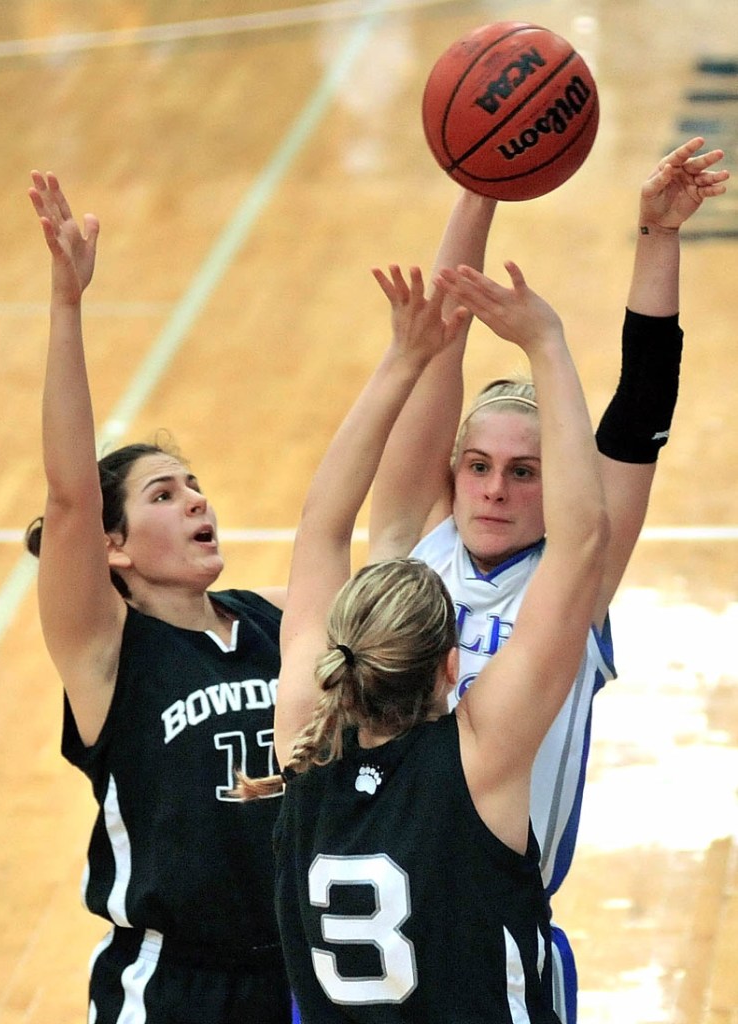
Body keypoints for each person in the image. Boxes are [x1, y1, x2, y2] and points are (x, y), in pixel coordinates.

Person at [367, 137, 730, 1022]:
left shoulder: (575, 578)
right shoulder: (415, 544)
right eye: (479, 465)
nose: (494, 488)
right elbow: (437, 346)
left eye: (524, 472)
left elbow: (639, 409)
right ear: (451, 471)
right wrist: (477, 181)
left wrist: (656, 237)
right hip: (360, 924)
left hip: (495, 931)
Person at [236, 258, 609, 1022]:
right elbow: (580, 542)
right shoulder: (480, 757)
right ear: (453, 664)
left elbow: (319, 528)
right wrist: (546, 343)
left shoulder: (303, 736)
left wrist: (403, 360)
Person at [25, 171, 291, 1023]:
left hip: (307, 976)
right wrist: (68, 304)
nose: (197, 501)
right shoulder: (108, 655)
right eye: (164, 495)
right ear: (113, 545)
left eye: (196, 486)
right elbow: (68, 495)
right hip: (176, 987)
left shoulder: (275, 621)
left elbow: (383, 538)